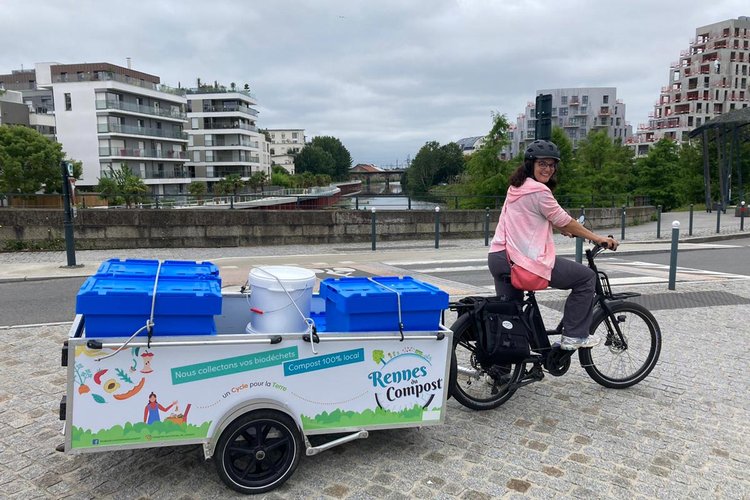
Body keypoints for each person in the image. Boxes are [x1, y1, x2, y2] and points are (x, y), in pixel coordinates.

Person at [488, 139, 619, 350]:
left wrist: (560, 228)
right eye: (542, 164)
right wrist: (597, 238)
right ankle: (574, 336)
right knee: (586, 278)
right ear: (531, 164)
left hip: (498, 257)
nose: (547, 169)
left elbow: (530, 216)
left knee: (510, 315)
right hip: (522, 260)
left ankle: (501, 371)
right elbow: (563, 219)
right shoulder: (539, 191)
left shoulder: (516, 187)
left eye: (551, 165)